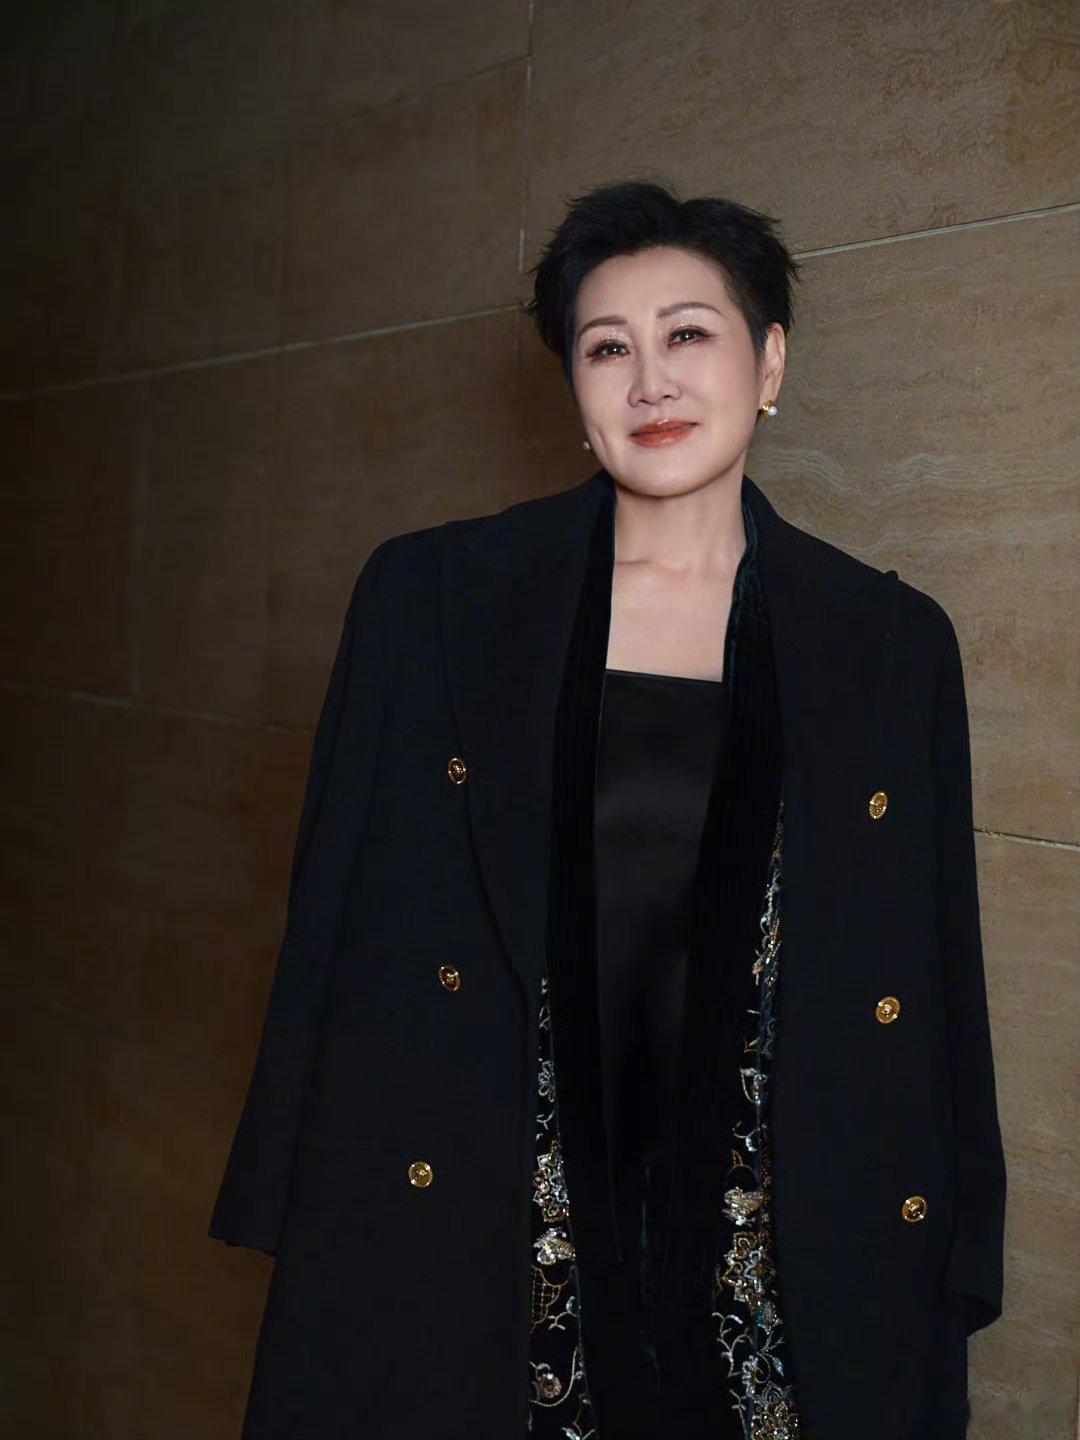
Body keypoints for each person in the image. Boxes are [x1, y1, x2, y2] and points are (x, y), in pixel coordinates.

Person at [209, 181, 1006, 1440]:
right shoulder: (435, 600)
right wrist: (289, 1198)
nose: (651, 382)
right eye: (606, 348)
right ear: (574, 390)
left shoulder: (892, 642)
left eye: (689, 333)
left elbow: (933, 962)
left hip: (771, 1217)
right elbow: (336, 916)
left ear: (770, 363)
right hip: (494, 1197)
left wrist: (961, 1237)